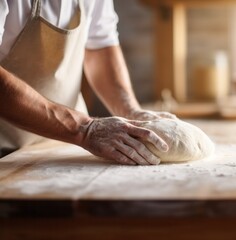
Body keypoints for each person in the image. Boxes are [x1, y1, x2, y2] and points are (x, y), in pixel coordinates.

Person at [0, 0, 176, 164]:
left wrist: (130, 111)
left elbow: (101, 44)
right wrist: (85, 129)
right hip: (5, 151)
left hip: (64, 148)